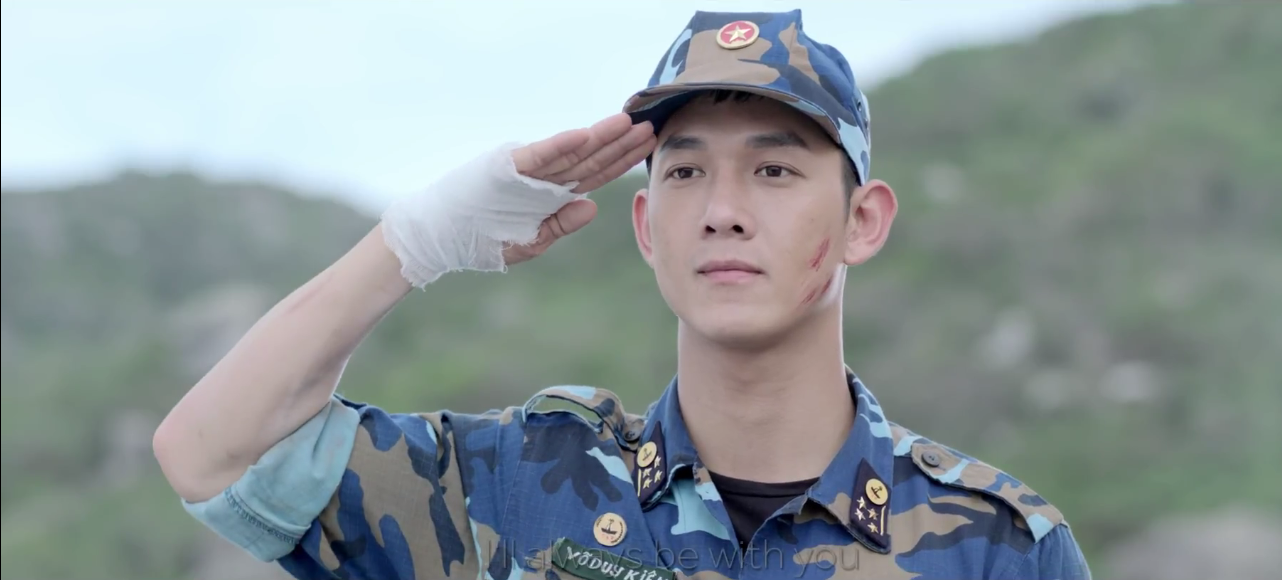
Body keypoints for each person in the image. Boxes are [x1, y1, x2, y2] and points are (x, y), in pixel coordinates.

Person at [153, 9, 1091, 580]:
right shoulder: (518, 487)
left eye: (773, 171)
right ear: (646, 227)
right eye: (685, 174)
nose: (722, 213)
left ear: (864, 221)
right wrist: (412, 242)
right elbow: (210, 454)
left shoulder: (999, 548)